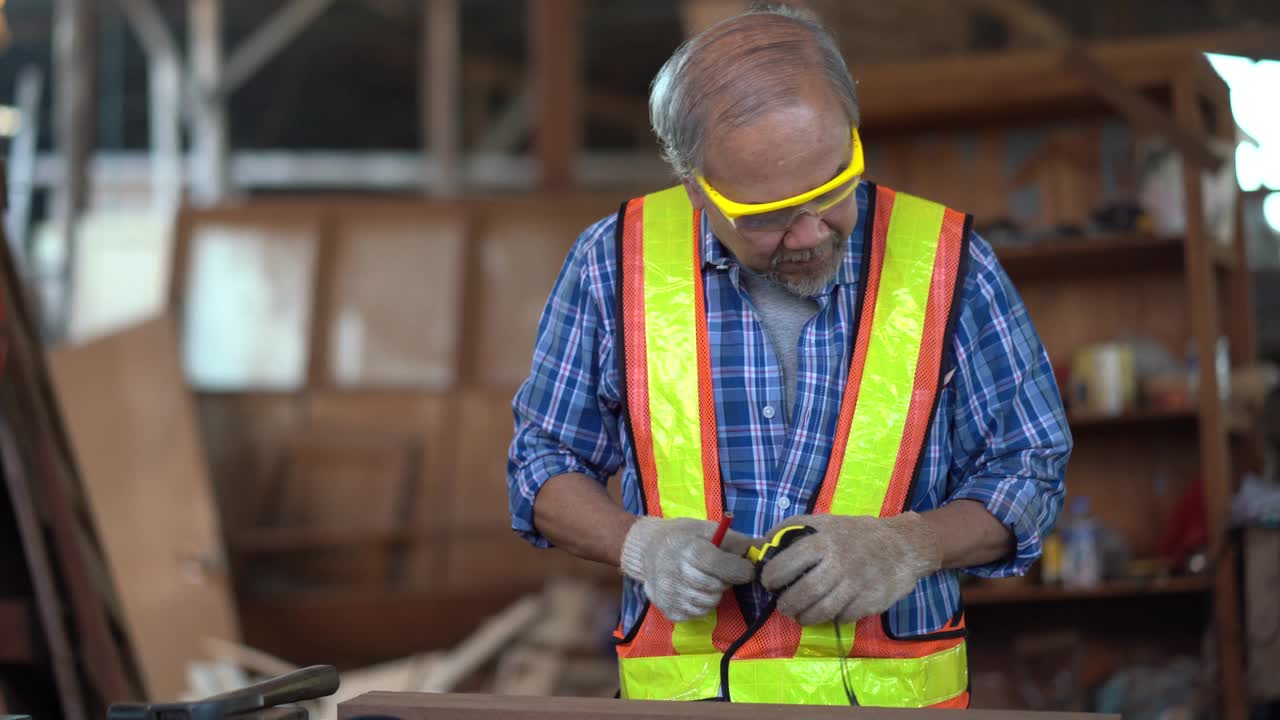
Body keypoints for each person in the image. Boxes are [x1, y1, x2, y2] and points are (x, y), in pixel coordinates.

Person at [506, 4, 1070, 708]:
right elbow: (542, 463)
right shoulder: (613, 265)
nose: (809, 233)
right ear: (694, 184)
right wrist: (640, 544)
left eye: (832, 187)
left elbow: (1029, 468)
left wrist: (909, 546)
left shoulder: (951, 266)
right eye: (768, 215)